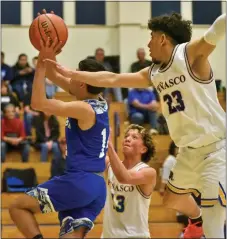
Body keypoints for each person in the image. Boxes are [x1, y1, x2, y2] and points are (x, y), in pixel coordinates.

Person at [46, 12, 226, 238]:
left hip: (215, 148)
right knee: (171, 198)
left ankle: (206, 222)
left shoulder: (189, 54)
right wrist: (71, 73)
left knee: (214, 224)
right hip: (189, 152)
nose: (148, 43)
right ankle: (197, 217)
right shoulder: (154, 72)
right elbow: (112, 79)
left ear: (163, 39)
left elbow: (215, 32)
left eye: (151, 36)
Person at [9, 38, 109, 239]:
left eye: (75, 75)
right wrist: (49, 48)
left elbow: (38, 103)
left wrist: (38, 65)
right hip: (97, 186)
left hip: (79, 181)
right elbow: (53, 74)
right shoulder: (97, 100)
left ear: (81, 82)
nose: (70, 78)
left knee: (18, 207)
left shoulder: (84, 108)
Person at [103, 124, 156, 238]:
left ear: (143, 149)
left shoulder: (148, 172)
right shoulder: (109, 165)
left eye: (134, 137)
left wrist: (109, 144)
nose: (127, 138)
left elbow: (125, 178)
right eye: (126, 136)